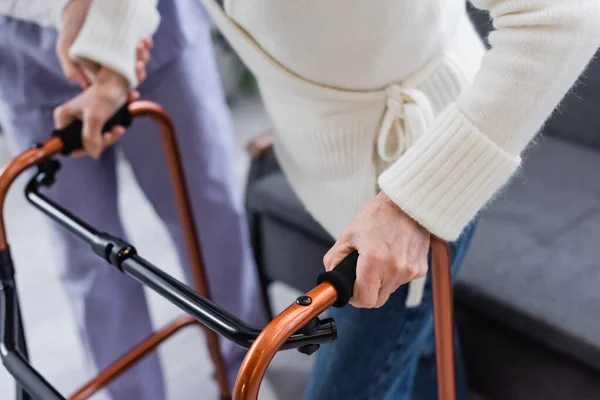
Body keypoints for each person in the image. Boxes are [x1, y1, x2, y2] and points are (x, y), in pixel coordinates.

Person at [6, 0, 600, 399]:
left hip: (425, 163)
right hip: (328, 169)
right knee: (419, 354)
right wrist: (111, 66)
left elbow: (564, 15)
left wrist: (414, 206)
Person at [0, 1, 267, 399]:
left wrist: (109, 41)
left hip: (152, 31)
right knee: (88, 260)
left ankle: (247, 379)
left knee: (208, 221)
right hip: (26, 52)